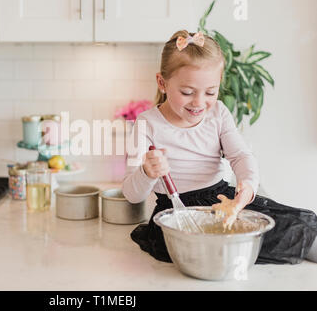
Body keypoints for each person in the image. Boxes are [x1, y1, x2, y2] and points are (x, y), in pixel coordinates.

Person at [122, 30, 317, 264]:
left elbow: (241, 156)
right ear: (162, 83)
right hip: (177, 214)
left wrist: (246, 188)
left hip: (221, 202)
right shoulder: (147, 124)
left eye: (210, 92)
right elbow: (132, 195)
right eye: (187, 92)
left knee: (298, 224)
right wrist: (146, 172)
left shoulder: (219, 114)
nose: (199, 102)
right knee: (213, 245)